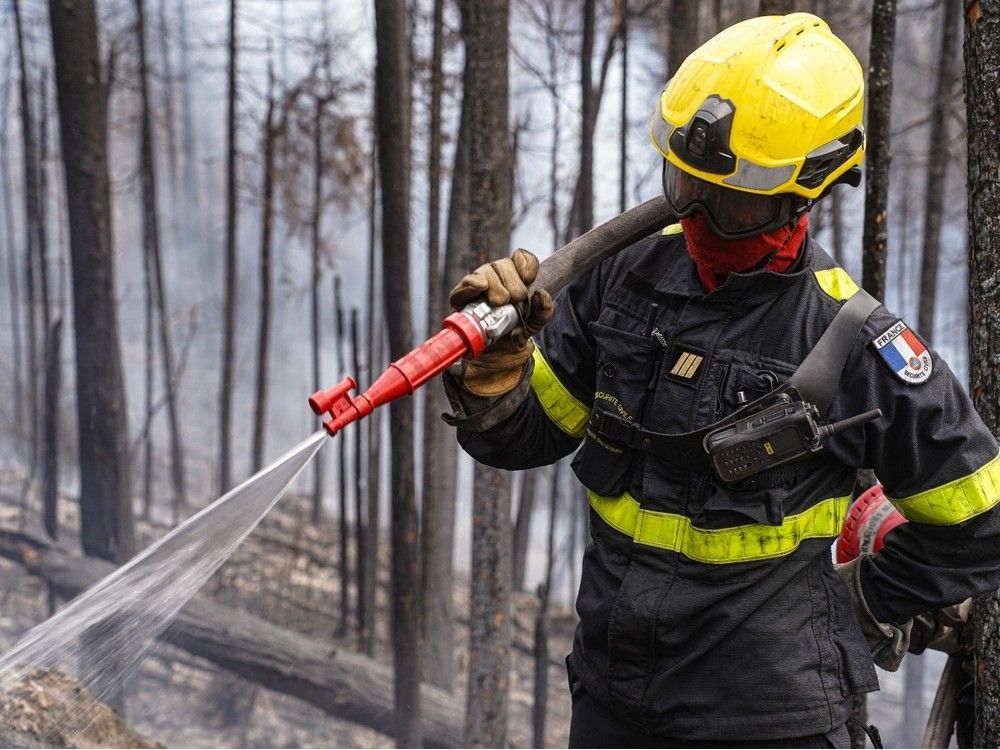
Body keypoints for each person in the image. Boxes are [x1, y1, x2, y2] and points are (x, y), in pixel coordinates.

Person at [443, 13, 1000, 748]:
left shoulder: (858, 344)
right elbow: (527, 436)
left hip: (770, 721)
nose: (701, 217)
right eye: (688, 185)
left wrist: (861, 603)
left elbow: (981, 528)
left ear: (810, 190)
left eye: (734, 202)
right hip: (612, 701)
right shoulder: (622, 280)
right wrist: (492, 376)